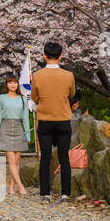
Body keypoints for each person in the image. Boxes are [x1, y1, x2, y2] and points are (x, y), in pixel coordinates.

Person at [31, 41, 78, 201]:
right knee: (64, 157)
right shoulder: (68, 76)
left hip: (44, 119)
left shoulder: (36, 76)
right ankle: (65, 193)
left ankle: (45, 193)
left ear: (44, 56)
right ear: (60, 56)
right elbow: (71, 94)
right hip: (63, 119)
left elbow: (34, 97)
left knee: (45, 157)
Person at [0, 76, 31, 196]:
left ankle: (12, 186)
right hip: (5, 128)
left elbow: (25, 118)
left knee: (17, 161)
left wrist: (28, 135)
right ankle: (21, 186)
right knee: (12, 160)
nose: (13, 85)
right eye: (10, 82)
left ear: (18, 84)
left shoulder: (23, 99)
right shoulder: (1, 98)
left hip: (19, 129)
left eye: (15, 82)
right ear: (6, 85)